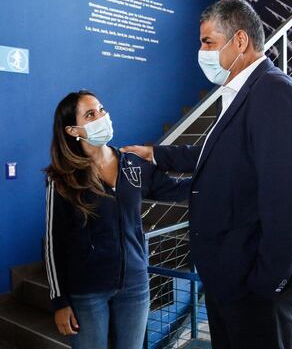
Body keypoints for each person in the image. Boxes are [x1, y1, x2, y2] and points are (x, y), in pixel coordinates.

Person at [121, 0, 292, 349]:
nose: (202, 51)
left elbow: (288, 203)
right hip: (230, 274)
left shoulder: (275, 93)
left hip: (254, 280)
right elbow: (219, 154)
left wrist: (267, 283)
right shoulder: (238, 91)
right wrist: (157, 153)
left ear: (240, 41)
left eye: (208, 42)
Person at [44, 90, 191, 349]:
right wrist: (60, 301)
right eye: (90, 114)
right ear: (73, 130)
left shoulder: (133, 164)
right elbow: (53, 242)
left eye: (101, 109)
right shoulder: (61, 177)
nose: (102, 116)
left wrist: (224, 171)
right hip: (87, 291)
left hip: (135, 285)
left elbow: (179, 190)